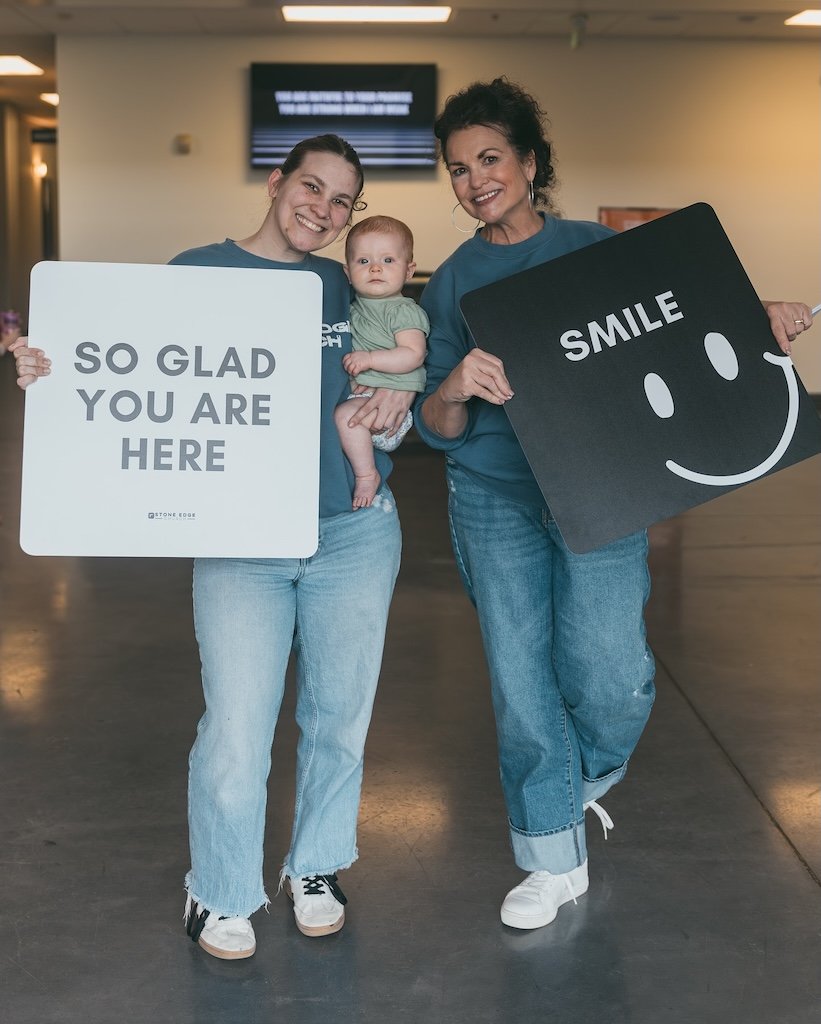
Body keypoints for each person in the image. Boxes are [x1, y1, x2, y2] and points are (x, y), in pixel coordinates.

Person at [413, 77, 814, 931]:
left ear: (528, 161)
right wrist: (452, 385)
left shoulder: (595, 248)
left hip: (598, 488)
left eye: (489, 158)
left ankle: (568, 785)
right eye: (457, 168)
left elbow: (686, 325)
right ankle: (550, 858)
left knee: (614, 676)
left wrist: (761, 319)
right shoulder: (452, 281)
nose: (475, 179)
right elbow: (436, 425)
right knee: (522, 686)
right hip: (492, 493)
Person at [11, 134, 415, 959]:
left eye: (343, 201)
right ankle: (222, 890)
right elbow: (131, 369)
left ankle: (316, 866)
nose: (324, 210)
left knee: (339, 719)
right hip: (241, 537)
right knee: (236, 725)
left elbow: (394, 380)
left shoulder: (351, 284)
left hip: (352, 533)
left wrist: (395, 415)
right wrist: (44, 366)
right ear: (275, 183)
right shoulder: (198, 269)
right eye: (311, 187)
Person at [334, 214, 429, 508]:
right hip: (365, 396)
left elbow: (414, 353)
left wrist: (369, 359)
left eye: (388, 260)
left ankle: (366, 475)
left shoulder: (403, 310)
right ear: (348, 272)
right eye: (363, 261)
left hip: (388, 412)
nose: (375, 267)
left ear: (409, 270)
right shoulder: (353, 307)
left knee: (344, 419)